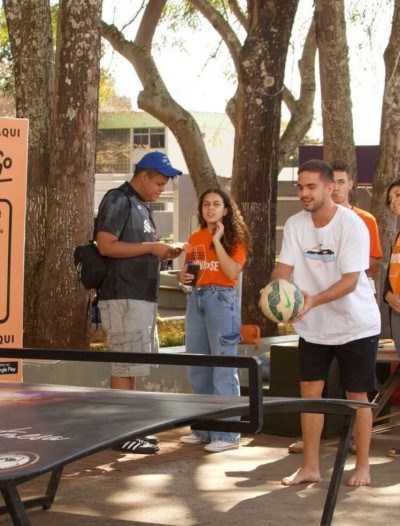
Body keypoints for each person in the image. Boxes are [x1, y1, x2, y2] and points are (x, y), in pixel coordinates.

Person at [268, 159, 380, 486]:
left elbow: (350, 281)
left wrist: (311, 300)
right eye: (300, 187)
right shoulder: (295, 224)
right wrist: (275, 291)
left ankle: (362, 466)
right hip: (313, 325)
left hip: (355, 324)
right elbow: (283, 269)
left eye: (311, 187)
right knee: (310, 395)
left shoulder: (352, 224)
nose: (304, 193)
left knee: (356, 395)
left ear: (330, 187)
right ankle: (311, 467)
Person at [96, 150, 183, 454]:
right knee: (123, 364)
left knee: (132, 365)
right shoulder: (118, 199)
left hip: (141, 297)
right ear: (143, 175)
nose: (162, 189)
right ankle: (121, 433)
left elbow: (140, 248)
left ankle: (129, 428)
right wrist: (151, 247)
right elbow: (105, 245)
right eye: (159, 182)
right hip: (123, 296)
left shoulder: (143, 207)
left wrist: (161, 251)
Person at [178, 188, 251, 453]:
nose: (210, 208)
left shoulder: (235, 238)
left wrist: (218, 240)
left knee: (223, 367)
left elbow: (232, 271)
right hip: (196, 300)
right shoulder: (195, 237)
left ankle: (228, 434)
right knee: (198, 366)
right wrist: (183, 278)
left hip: (221, 299)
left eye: (216, 204)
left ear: (226, 210)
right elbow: (190, 272)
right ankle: (203, 429)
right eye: (206, 204)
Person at [331, 160, 383, 287]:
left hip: (356, 289)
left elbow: (374, 263)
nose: (336, 188)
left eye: (341, 182)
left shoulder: (366, 219)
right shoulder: (314, 219)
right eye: (332, 182)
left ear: (350, 184)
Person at [382, 180, 400, 458]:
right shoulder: (397, 236)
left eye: (398, 194)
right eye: (392, 198)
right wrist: (388, 295)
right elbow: (390, 274)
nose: (395, 200)